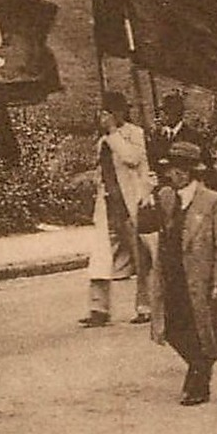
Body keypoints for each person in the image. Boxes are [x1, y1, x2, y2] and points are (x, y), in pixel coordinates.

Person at [138, 141, 217, 406]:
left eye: (180, 170)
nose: (173, 175)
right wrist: (146, 195)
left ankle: (199, 380)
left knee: (201, 328)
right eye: (171, 170)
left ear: (192, 172)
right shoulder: (166, 196)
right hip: (171, 274)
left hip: (199, 278)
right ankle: (200, 363)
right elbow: (145, 226)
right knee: (170, 328)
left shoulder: (214, 201)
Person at [80, 92, 151, 327]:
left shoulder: (135, 134)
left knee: (142, 258)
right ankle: (98, 309)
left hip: (132, 205)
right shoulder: (102, 141)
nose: (108, 117)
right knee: (100, 258)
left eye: (112, 112)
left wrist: (112, 133)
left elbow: (132, 158)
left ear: (121, 112)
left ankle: (146, 306)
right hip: (109, 205)